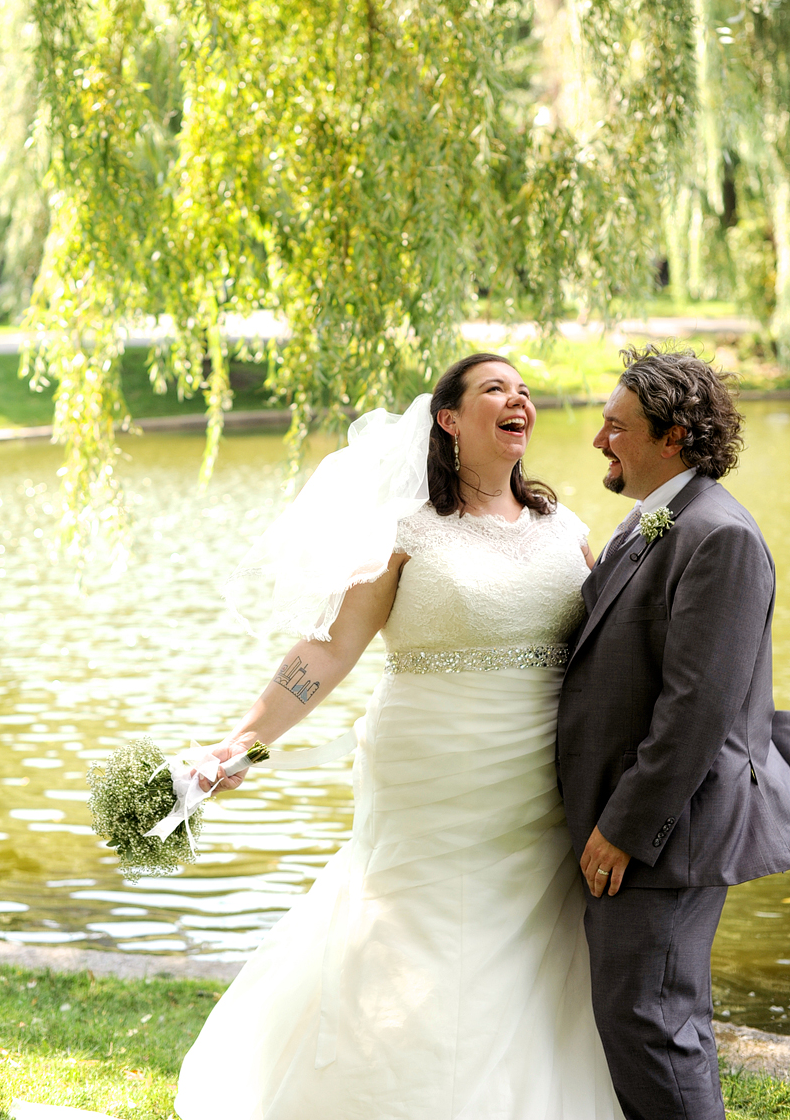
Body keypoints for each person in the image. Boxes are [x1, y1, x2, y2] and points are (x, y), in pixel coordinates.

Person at [172, 352, 624, 1120]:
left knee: (532, 954)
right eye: (494, 390)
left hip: (545, 779)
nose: (517, 400)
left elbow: (612, 644)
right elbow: (330, 648)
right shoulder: (405, 530)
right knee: (418, 936)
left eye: (522, 391)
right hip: (432, 774)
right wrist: (243, 741)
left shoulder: (565, 527)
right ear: (449, 419)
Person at [557, 344, 790, 1120]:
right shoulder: (658, 519)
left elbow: (697, 710)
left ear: (674, 436)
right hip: (643, 822)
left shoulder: (719, 536)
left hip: (669, 832)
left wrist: (623, 828)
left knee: (652, 1023)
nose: (599, 440)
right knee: (642, 1016)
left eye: (616, 426)